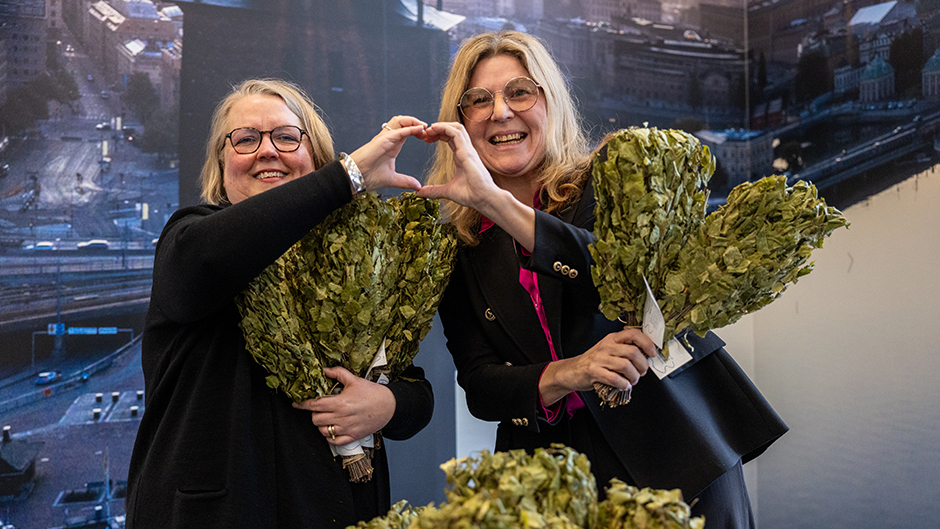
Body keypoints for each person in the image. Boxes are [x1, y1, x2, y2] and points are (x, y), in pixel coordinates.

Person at [416, 31, 788, 528]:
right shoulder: (458, 248)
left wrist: (494, 203)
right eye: (479, 100)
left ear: (550, 100)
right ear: (460, 122)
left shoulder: (611, 178)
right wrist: (571, 371)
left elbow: (619, 274)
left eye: (519, 92)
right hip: (555, 483)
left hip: (675, 451)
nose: (500, 112)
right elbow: (482, 387)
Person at [126, 78, 434, 528]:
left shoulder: (355, 261)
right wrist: (351, 175)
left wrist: (386, 405)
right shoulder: (189, 238)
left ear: (316, 156)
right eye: (246, 139)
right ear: (222, 162)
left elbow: (417, 392)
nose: (267, 151)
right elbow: (209, 259)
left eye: (287, 137)